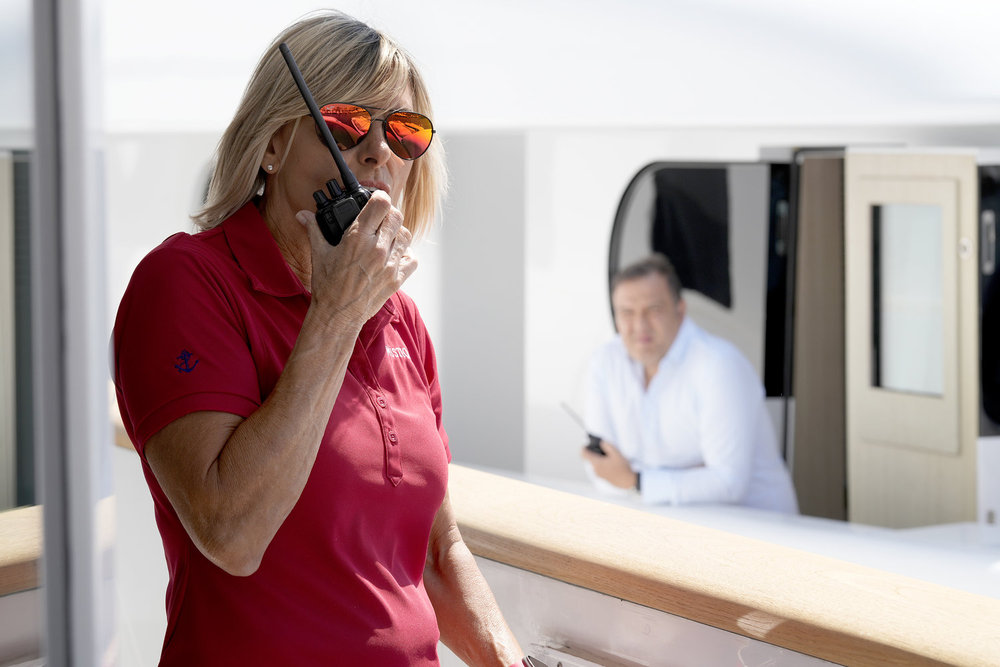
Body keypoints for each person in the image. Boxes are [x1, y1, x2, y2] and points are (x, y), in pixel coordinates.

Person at [112, 11, 526, 665]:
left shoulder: (402, 322)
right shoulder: (186, 282)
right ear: (271, 145)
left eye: (404, 132)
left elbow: (437, 553)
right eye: (346, 124)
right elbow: (230, 531)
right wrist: (336, 314)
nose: (378, 152)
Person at [581, 254, 798, 514]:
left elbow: (728, 484)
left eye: (654, 310)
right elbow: (600, 470)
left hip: (762, 531)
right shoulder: (605, 362)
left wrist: (636, 479)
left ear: (680, 310)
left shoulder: (718, 364)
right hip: (674, 524)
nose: (639, 326)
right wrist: (685, 477)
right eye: (627, 312)